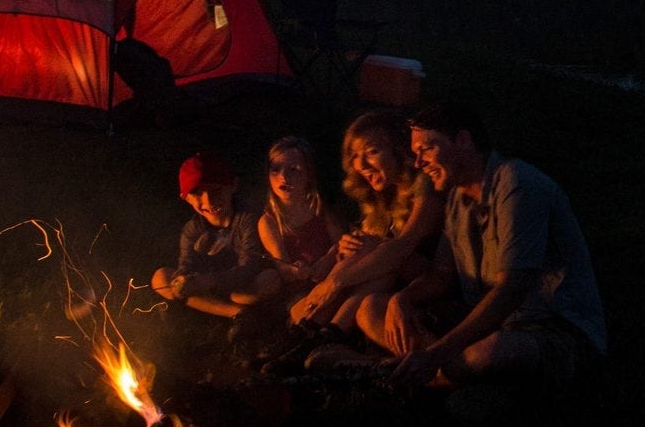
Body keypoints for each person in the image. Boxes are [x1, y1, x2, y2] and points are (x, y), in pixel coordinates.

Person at [355, 99, 607, 390]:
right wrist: (404, 299)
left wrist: (435, 352)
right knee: (371, 309)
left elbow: (511, 289)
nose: (419, 163)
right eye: (415, 153)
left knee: (491, 352)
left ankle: (402, 375)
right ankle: (446, 376)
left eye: (427, 149)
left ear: (462, 140)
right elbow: (441, 274)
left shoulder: (517, 184)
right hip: (486, 323)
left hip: (548, 328)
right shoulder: (456, 198)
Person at [260, 111, 444, 374]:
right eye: (355, 157)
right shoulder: (382, 196)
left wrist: (334, 284)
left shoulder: (425, 184)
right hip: (383, 282)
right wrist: (344, 247)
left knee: (376, 250)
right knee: (363, 247)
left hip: (427, 280)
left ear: (397, 148)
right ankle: (322, 333)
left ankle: (316, 332)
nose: (361, 165)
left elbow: (402, 248)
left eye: (371, 151)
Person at [150, 151, 282, 342]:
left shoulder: (247, 219)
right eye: (197, 193)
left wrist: (209, 280)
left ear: (232, 186)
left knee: (270, 279)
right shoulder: (192, 229)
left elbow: (250, 266)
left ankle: (234, 309)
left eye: (215, 190)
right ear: (185, 197)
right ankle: (238, 314)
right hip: (212, 289)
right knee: (160, 278)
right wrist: (181, 279)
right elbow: (185, 263)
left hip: (242, 286)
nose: (208, 201)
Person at [257, 135, 343, 308]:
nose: (283, 176)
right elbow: (282, 267)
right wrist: (296, 270)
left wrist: (326, 261)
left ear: (308, 174)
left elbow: (341, 242)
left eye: (293, 169)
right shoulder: (269, 221)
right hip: (299, 290)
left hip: (333, 278)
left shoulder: (320, 208)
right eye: (276, 169)